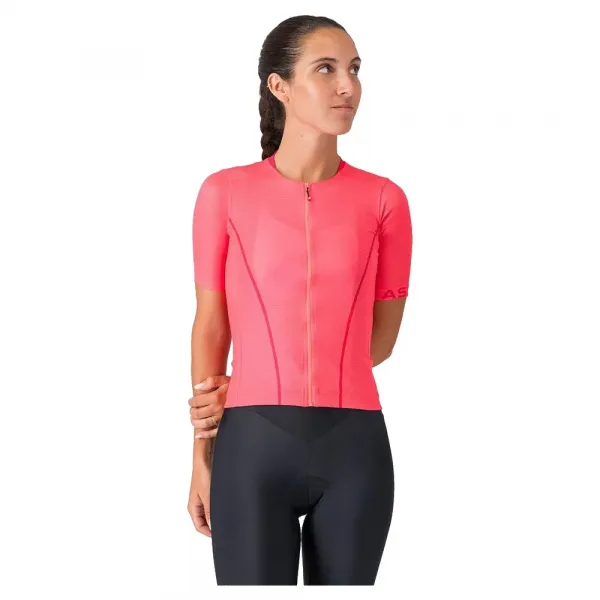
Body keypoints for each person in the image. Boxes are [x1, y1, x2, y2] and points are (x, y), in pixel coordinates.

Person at [187, 15, 413, 585]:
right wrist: (201, 459)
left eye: (354, 69)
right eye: (326, 69)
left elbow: (379, 342)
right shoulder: (225, 193)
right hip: (250, 451)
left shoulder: (385, 200)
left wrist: (277, 378)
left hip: (356, 452)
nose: (348, 86)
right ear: (279, 86)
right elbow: (211, 326)